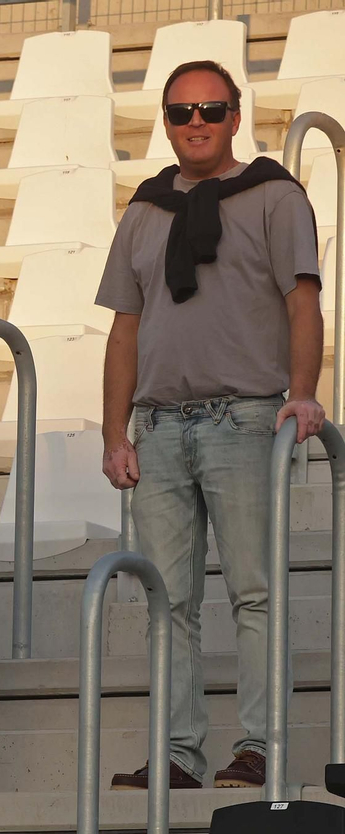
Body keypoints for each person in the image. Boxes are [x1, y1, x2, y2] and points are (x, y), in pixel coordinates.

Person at [99, 60, 323, 791]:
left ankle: (260, 745)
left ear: (234, 116)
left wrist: (303, 394)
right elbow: (124, 329)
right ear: (165, 121)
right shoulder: (143, 211)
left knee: (254, 593)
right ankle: (177, 752)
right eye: (181, 112)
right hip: (159, 429)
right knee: (170, 601)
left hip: (245, 417)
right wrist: (114, 433)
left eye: (211, 109)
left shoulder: (274, 196)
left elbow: (302, 302)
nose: (196, 122)